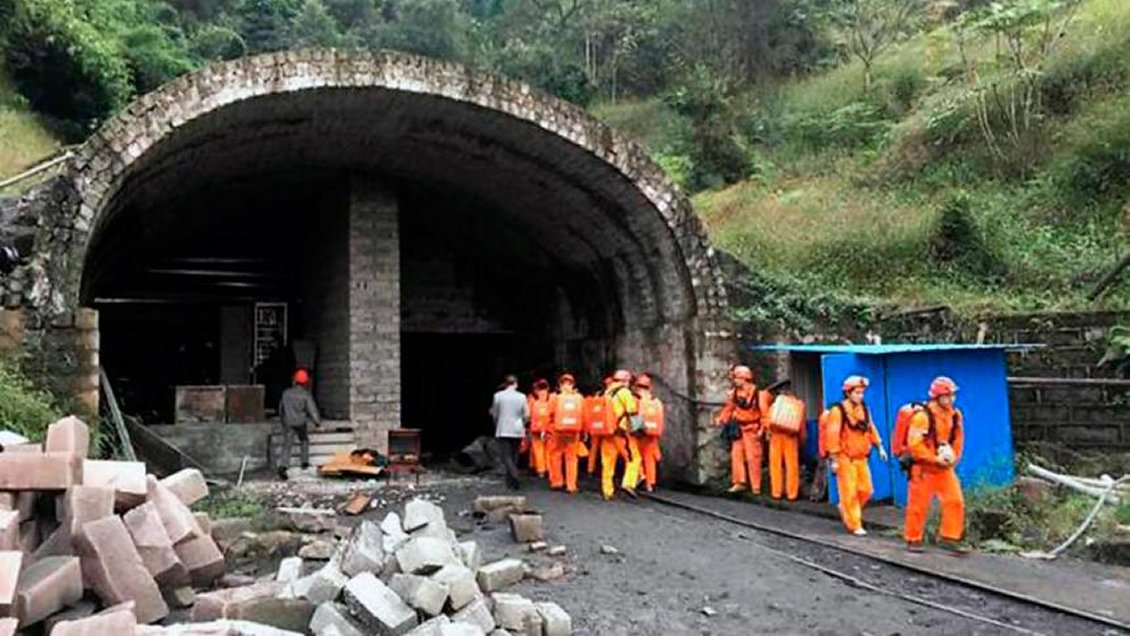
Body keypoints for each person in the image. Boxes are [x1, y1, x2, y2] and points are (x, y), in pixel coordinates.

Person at [904, 376, 967, 553]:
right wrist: (934, 459)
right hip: (923, 468)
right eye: (948, 395)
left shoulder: (955, 415)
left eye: (953, 395)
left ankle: (950, 538)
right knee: (918, 505)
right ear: (937, 397)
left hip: (943, 468)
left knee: (955, 501)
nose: (952, 399)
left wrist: (953, 458)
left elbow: (958, 440)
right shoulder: (923, 417)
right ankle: (913, 539)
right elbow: (915, 445)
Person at [824, 375, 888, 536]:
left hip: (862, 458)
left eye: (862, 392)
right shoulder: (838, 411)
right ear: (848, 393)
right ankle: (855, 524)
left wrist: (880, 446)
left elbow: (870, 427)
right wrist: (834, 459)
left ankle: (845, 508)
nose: (861, 396)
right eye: (857, 392)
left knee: (867, 490)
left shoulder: (864, 409)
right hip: (845, 458)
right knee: (850, 493)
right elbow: (832, 435)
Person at [715, 365, 773, 495]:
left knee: (753, 458)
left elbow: (765, 414)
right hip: (739, 429)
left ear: (744, 378)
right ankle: (739, 482)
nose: (734, 380)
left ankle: (756, 486)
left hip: (752, 429)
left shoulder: (759, 394)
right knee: (736, 456)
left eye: (736, 378)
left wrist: (763, 429)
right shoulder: (734, 393)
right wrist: (721, 418)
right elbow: (729, 408)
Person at [603, 369, 642, 499]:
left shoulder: (607, 392)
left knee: (608, 461)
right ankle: (628, 483)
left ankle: (607, 491)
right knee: (633, 458)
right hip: (621, 431)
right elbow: (631, 410)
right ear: (626, 380)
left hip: (608, 431)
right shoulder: (624, 392)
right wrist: (639, 427)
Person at [276, 368, 321, 480]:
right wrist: (317, 422)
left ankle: (283, 466)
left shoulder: (286, 393)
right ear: (305, 382)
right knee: (304, 440)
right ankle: (304, 462)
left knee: (287, 444)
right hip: (301, 422)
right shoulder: (306, 395)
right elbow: (312, 410)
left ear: (294, 381)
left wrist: (282, 420)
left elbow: (281, 409)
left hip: (288, 422)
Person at [767, 383, 806, 502]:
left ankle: (776, 492)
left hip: (775, 437)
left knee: (775, 465)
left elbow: (769, 422)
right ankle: (792, 494)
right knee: (792, 466)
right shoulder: (799, 405)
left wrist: (768, 434)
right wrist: (801, 440)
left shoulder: (775, 405)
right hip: (791, 437)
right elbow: (801, 426)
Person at [490, 375, 530, 490]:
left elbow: (495, 413)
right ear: (515, 384)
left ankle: (515, 475)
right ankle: (511, 482)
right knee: (514, 455)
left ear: (506, 384)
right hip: (517, 428)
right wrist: (522, 422)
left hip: (503, 427)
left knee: (506, 455)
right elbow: (527, 414)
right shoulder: (522, 397)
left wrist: (496, 422)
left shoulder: (498, 396)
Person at [548, 373, 584, 493]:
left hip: (557, 431)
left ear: (560, 385)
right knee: (572, 458)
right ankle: (571, 485)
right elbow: (583, 415)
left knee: (555, 455)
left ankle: (557, 482)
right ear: (573, 385)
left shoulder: (554, 397)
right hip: (573, 431)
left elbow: (550, 414)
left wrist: (547, 429)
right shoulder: (579, 398)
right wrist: (584, 431)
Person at [634, 373, 665, 493]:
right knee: (649, 458)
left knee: (635, 457)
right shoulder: (656, 401)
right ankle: (650, 484)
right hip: (653, 433)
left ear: (637, 386)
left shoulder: (636, 400)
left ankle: (641, 476)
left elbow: (634, 416)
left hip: (640, 433)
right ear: (649, 387)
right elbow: (660, 418)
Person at [526, 379, 553, 479]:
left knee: (538, 450)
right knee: (548, 450)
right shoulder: (551, 400)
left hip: (535, 429)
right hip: (548, 429)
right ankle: (549, 469)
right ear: (548, 388)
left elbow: (528, 415)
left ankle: (541, 471)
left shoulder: (533, 401)